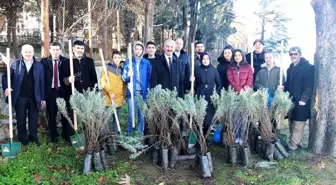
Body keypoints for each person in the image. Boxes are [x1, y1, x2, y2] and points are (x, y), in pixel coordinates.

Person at [2, 44, 45, 145]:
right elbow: (5, 77)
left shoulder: (39, 66)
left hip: (34, 97)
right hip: (19, 97)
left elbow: (42, 83)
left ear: (33, 52)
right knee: (20, 119)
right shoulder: (14, 64)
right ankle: (23, 139)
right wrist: (6, 87)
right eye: (26, 51)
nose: (28, 53)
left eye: (30, 51)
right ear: (22, 52)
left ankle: (34, 138)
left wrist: (42, 97)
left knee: (33, 119)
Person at [59, 40, 98, 143]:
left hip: (86, 94)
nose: (80, 50)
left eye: (81, 48)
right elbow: (62, 78)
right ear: (73, 49)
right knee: (72, 116)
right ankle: (71, 139)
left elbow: (94, 78)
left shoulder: (89, 61)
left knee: (87, 115)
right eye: (77, 48)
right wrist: (68, 80)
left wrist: (95, 92)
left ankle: (88, 135)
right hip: (72, 94)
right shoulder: (67, 62)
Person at [280, 46, 314, 154]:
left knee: (298, 124)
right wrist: (283, 87)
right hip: (291, 100)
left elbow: (309, 85)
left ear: (300, 54)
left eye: (295, 53)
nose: (293, 56)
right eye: (291, 54)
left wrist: (304, 98)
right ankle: (296, 143)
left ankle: (292, 147)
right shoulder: (290, 68)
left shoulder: (308, 67)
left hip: (301, 100)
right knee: (291, 122)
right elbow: (288, 83)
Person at [41, 42, 69, 143]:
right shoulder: (44, 62)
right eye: (53, 49)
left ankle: (66, 135)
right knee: (51, 114)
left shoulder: (66, 61)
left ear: (60, 50)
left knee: (64, 114)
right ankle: (53, 136)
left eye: (57, 49)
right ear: (50, 50)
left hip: (63, 91)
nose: (55, 52)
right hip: (51, 91)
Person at [122, 41, 151, 135]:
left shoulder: (146, 63)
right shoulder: (128, 61)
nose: (138, 51)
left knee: (141, 114)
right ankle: (130, 133)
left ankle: (139, 133)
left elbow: (149, 77)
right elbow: (124, 78)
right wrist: (127, 75)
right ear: (133, 50)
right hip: (132, 92)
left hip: (143, 93)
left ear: (143, 50)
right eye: (136, 49)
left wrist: (148, 91)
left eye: (140, 49)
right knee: (131, 115)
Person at [190, 52, 221, 136]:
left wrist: (216, 94)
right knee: (200, 115)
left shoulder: (214, 70)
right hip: (200, 93)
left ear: (210, 60)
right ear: (201, 60)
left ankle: (206, 136)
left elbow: (219, 84)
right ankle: (199, 135)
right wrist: (192, 81)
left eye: (207, 59)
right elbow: (194, 85)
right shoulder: (197, 69)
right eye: (203, 59)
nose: (205, 60)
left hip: (210, 94)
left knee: (209, 117)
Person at [100, 50, 126, 134]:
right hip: (108, 98)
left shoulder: (122, 69)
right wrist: (110, 92)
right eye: (115, 57)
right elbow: (103, 81)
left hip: (119, 98)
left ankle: (115, 134)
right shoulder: (106, 68)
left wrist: (124, 97)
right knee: (105, 119)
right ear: (112, 58)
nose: (117, 59)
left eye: (119, 57)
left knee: (116, 118)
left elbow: (124, 85)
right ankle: (105, 136)